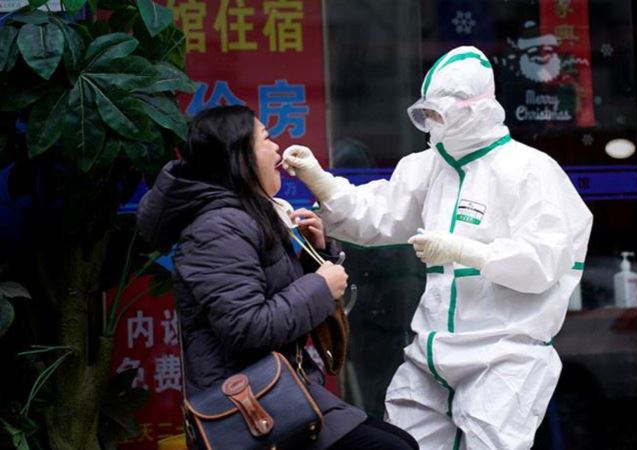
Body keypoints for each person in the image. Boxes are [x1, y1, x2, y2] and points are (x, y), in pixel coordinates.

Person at [281, 46, 594, 449]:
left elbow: (543, 263)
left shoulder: (530, 171)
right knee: (402, 440)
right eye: (425, 114)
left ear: (475, 109)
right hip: (429, 355)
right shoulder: (430, 167)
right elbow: (377, 215)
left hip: (502, 356)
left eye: (439, 114)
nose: (431, 124)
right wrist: (320, 181)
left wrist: (466, 252)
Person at [136, 105, 418, 450]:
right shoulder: (216, 228)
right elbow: (248, 327)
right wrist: (321, 285)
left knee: (398, 442)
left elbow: (277, 299)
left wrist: (318, 256)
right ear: (239, 155)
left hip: (281, 392)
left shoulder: (245, 215)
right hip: (247, 408)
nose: (276, 149)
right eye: (266, 139)